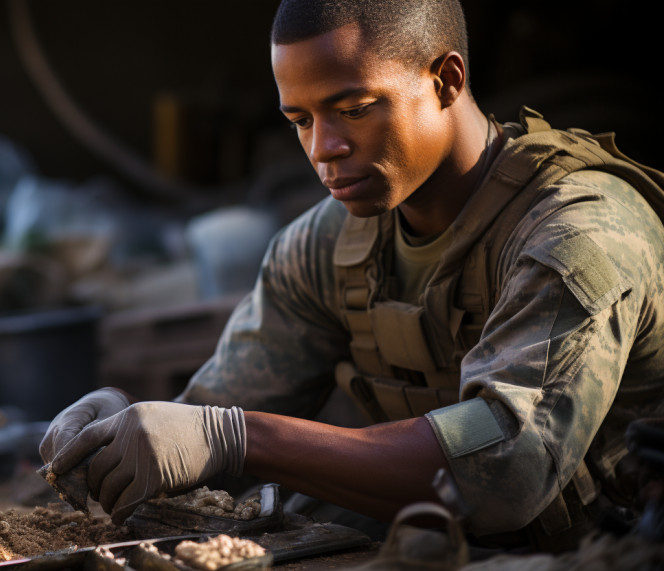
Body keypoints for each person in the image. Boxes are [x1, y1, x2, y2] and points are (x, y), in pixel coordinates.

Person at [40, 0, 664, 552]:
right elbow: (212, 424)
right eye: (301, 120)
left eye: (354, 109)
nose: (323, 149)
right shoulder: (326, 244)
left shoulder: (577, 236)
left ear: (446, 81)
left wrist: (236, 437)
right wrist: (124, 429)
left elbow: (505, 470)